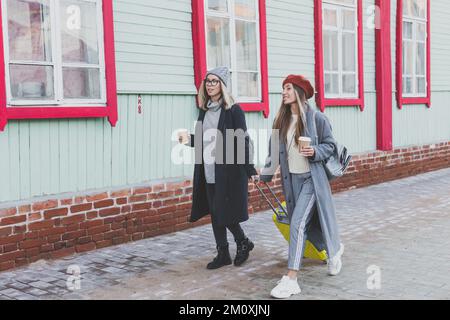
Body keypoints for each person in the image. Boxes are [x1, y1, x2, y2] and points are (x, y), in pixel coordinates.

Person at [253, 75, 344, 299]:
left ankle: (291, 278)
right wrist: (263, 176)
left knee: (297, 223)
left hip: (312, 180)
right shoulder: (281, 121)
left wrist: (314, 151)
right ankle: (334, 250)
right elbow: (273, 154)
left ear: (299, 92)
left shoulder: (317, 119)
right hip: (291, 182)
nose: (283, 92)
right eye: (283, 88)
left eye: (288, 88)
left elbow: (330, 145)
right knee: (308, 224)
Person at [178, 66, 257, 270]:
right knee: (215, 211)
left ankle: (242, 242)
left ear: (222, 85)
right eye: (208, 81)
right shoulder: (204, 111)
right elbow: (206, 140)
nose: (210, 84)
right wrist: (189, 140)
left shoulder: (233, 110)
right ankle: (223, 252)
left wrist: (250, 169)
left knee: (224, 211)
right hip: (209, 170)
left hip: (229, 172)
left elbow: (242, 140)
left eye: (214, 81)